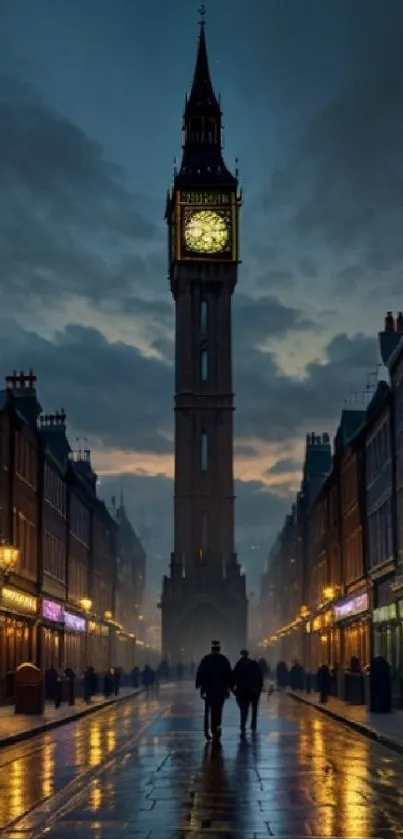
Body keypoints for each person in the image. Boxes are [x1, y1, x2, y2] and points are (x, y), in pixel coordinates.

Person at [196, 640, 232, 741]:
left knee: (208, 711)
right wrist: (229, 688)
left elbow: (201, 674)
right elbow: (228, 675)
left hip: (209, 690)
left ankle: (207, 731)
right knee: (218, 711)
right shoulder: (223, 660)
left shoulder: (206, 659)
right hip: (220, 690)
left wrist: (200, 687)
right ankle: (216, 729)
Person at [232, 649, 263, 734]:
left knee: (244, 709)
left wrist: (233, 689)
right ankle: (253, 724)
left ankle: (243, 724)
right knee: (254, 709)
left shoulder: (239, 664)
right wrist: (259, 688)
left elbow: (234, 677)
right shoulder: (254, 664)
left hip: (243, 690)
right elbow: (259, 677)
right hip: (253, 691)